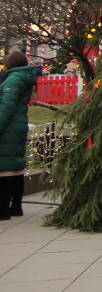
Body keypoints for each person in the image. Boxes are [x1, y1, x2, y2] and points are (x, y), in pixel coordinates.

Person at [0, 52, 37, 219]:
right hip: (18, 124)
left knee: (5, 167)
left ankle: (3, 209)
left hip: (8, 126)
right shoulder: (24, 78)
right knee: (16, 166)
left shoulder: (13, 80)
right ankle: (16, 206)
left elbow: (6, 107)